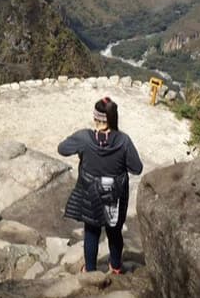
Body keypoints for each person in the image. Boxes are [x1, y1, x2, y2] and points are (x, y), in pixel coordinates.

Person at [58, 96, 143, 274]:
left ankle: (90, 271)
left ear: (95, 117)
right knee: (114, 231)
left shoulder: (83, 138)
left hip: (91, 194)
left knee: (91, 231)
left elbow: (62, 149)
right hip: (115, 195)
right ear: (114, 117)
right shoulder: (124, 141)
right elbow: (137, 168)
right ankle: (116, 266)